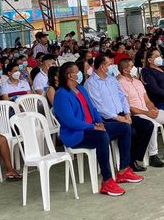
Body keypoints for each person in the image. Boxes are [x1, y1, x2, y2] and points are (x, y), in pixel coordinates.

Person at [53, 62, 144, 197]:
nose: (80, 73)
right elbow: (70, 121)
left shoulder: (81, 89)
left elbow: (93, 108)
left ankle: (124, 170)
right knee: (102, 136)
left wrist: (99, 122)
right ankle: (107, 181)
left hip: (92, 127)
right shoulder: (61, 95)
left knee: (125, 127)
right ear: (70, 76)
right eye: (77, 71)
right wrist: (93, 127)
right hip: (77, 134)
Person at [84, 55, 154, 172]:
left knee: (147, 125)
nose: (112, 67)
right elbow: (98, 107)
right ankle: (127, 164)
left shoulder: (112, 79)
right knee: (131, 131)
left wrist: (127, 113)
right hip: (107, 118)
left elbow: (122, 96)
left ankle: (134, 157)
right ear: (102, 67)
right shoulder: (91, 83)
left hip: (122, 114)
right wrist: (117, 118)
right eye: (110, 65)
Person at [117, 58, 164, 167]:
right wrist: (146, 113)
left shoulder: (138, 82)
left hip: (147, 110)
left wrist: (153, 109)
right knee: (152, 124)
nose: (135, 68)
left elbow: (147, 100)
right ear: (125, 70)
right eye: (132, 66)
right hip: (136, 114)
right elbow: (128, 107)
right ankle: (153, 155)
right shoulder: (120, 83)